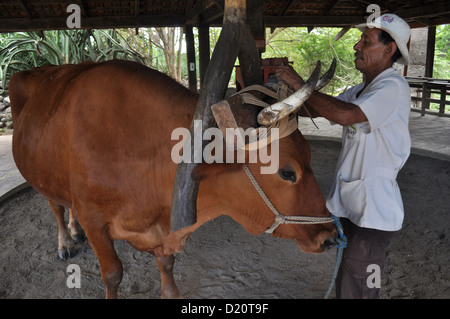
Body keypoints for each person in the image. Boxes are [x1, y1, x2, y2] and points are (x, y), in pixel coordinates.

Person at [276, 13, 412, 298]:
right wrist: (287, 94)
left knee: (361, 282)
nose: (356, 46)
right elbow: (321, 109)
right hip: (351, 206)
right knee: (347, 273)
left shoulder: (393, 87)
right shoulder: (360, 90)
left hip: (374, 212)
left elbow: (345, 115)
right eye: (360, 39)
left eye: (366, 40)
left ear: (389, 50)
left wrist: (303, 86)